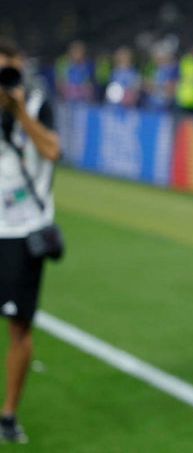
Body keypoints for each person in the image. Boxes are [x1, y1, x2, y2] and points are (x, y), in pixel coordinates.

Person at [0, 39, 61, 444]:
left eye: (9, 71)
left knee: (19, 327)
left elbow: (53, 150)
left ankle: (8, 414)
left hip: (24, 232)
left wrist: (19, 110)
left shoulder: (36, 105)